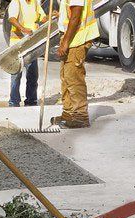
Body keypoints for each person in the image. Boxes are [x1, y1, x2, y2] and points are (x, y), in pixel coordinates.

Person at [52, 0, 97, 128]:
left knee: (74, 77)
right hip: (71, 36)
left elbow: (76, 15)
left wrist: (65, 42)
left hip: (78, 38)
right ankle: (68, 113)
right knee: (66, 77)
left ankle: (80, 116)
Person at [6, 0, 47, 107]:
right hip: (17, 45)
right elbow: (11, 18)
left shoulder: (34, 2)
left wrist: (52, 15)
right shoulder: (16, 2)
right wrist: (23, 29)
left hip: (31, 45)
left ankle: (31, 101)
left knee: (33, 75)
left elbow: (42, 18)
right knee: (16, 75)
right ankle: (14, 102)